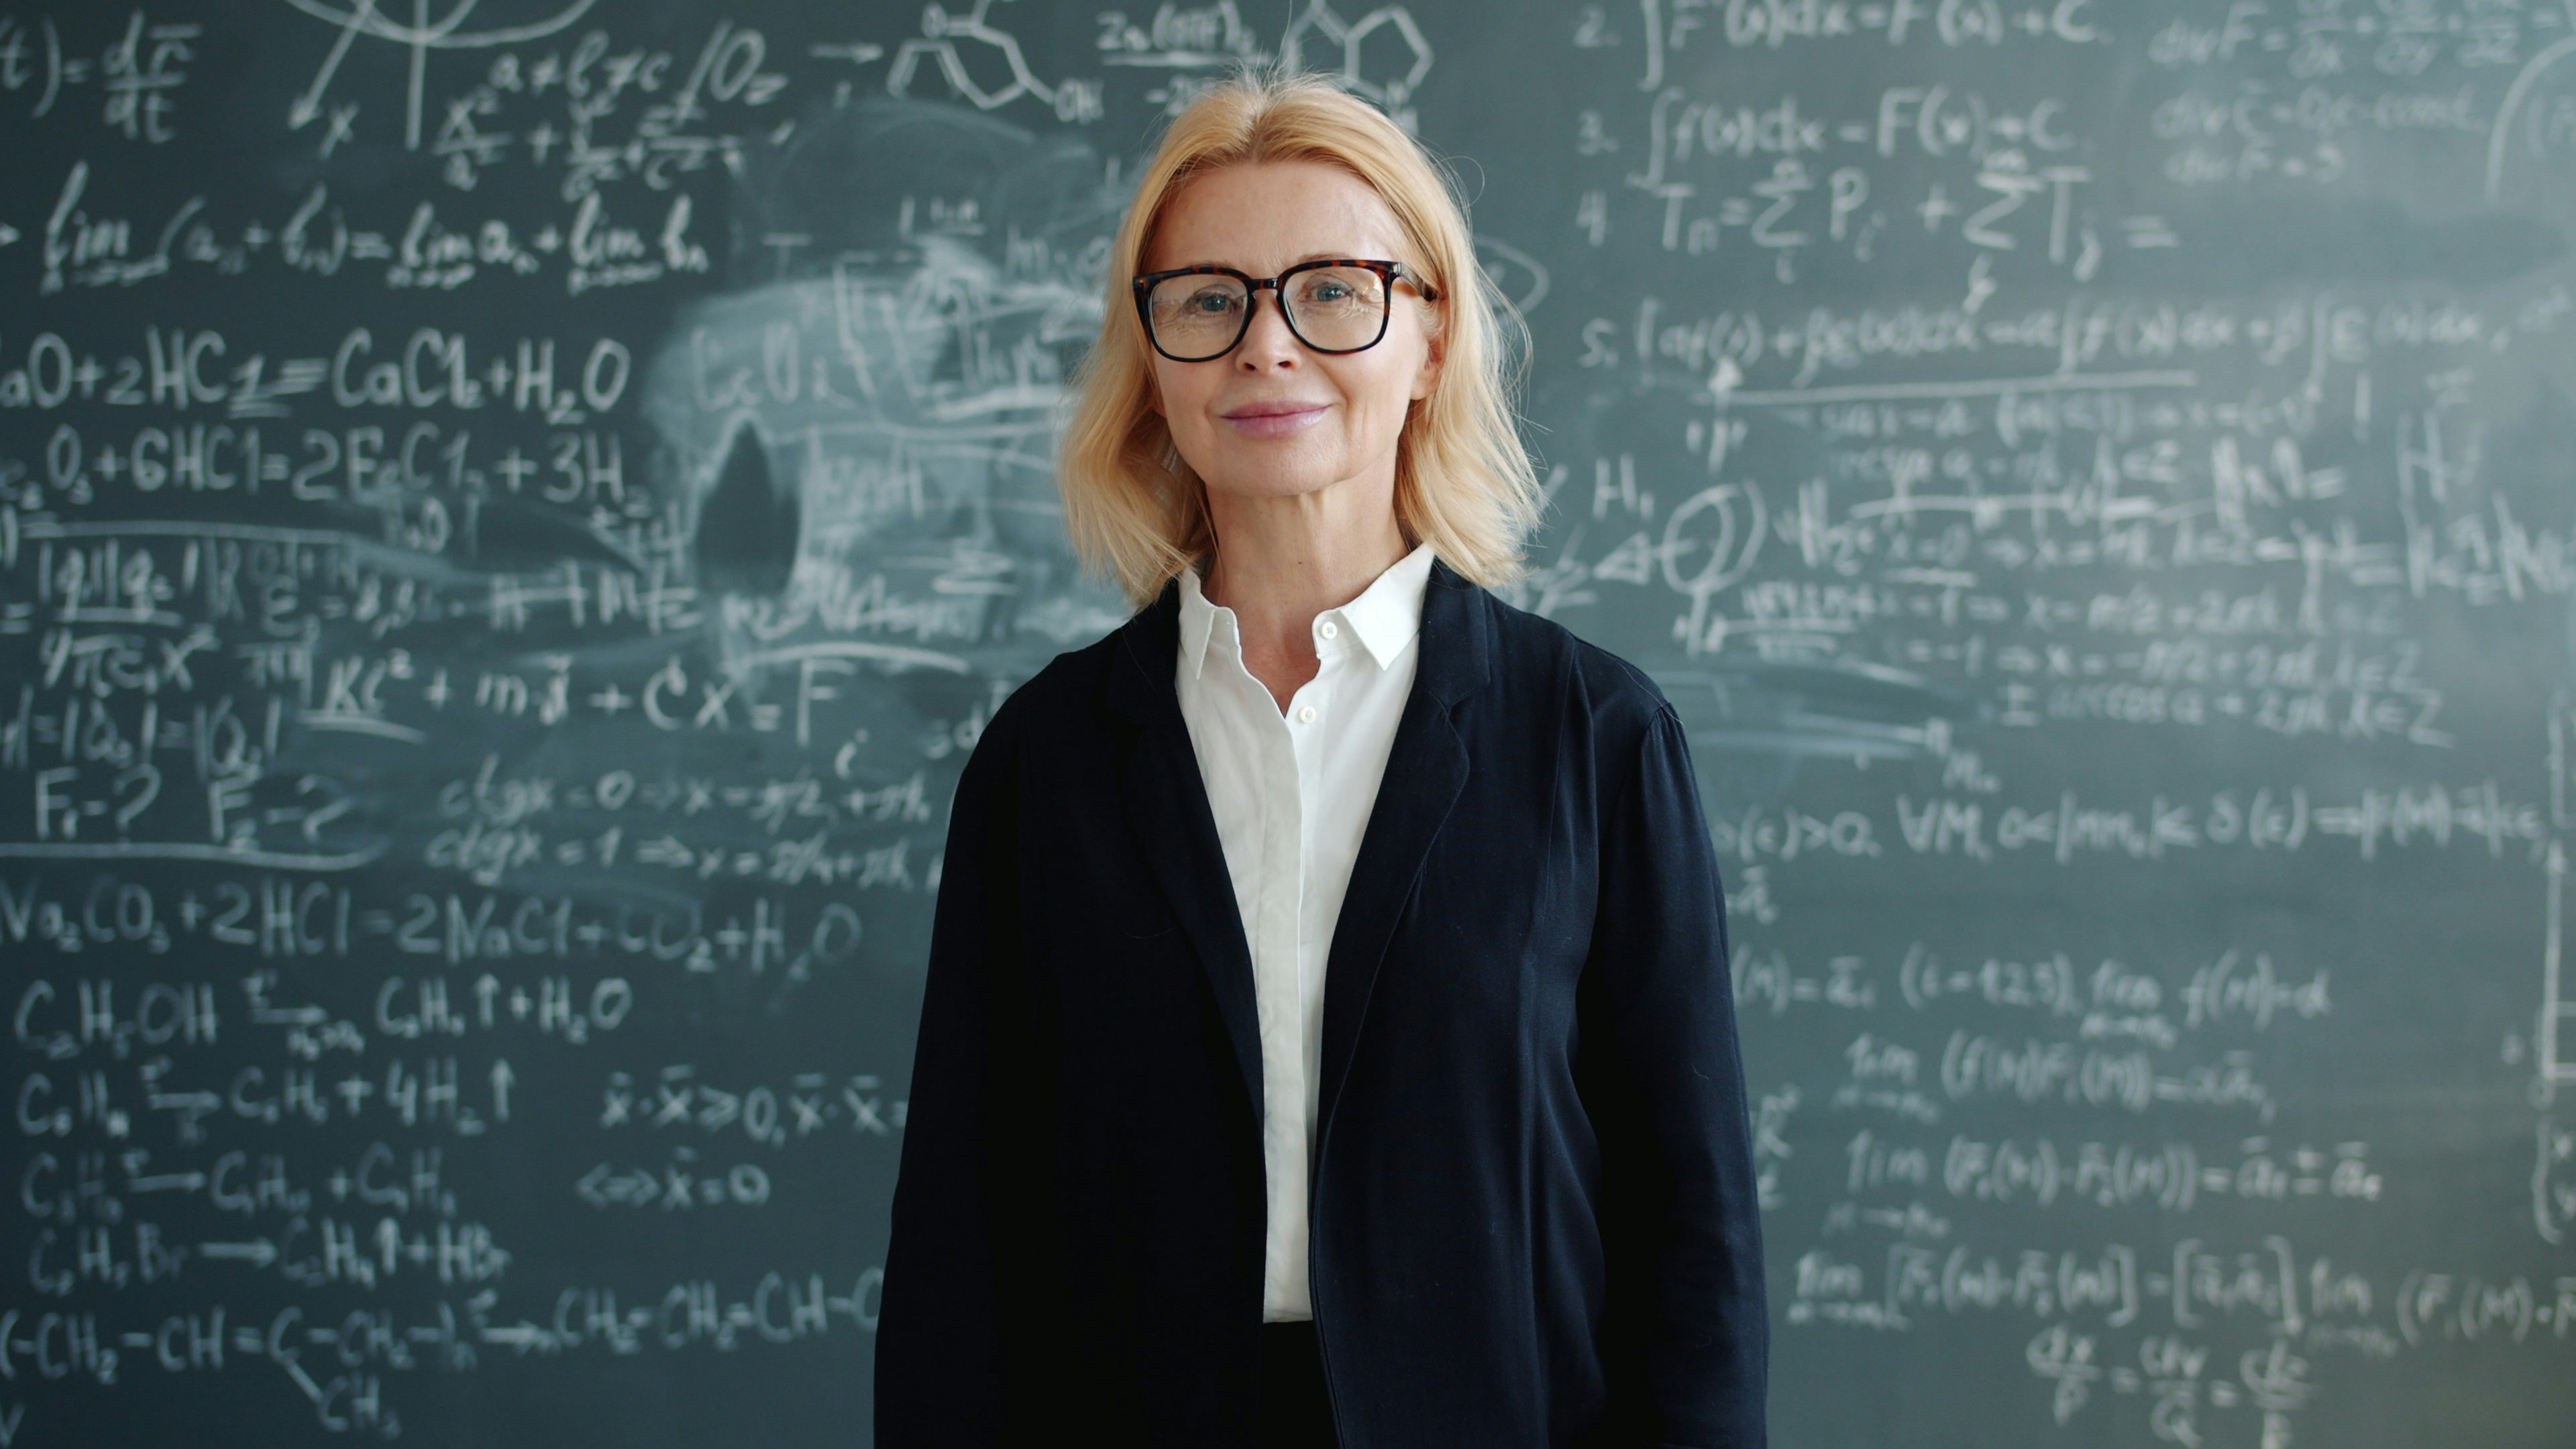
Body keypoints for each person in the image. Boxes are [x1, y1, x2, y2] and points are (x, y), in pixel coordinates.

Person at [874, 64, 1767, 1449]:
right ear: (1152, 362)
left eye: (1334, 290)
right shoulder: (1046, 763)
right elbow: (961, 1244)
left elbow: (1693, 1234)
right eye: (1209, 299)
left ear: (1429, 341)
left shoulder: (1595, 738)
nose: (1267, 348)